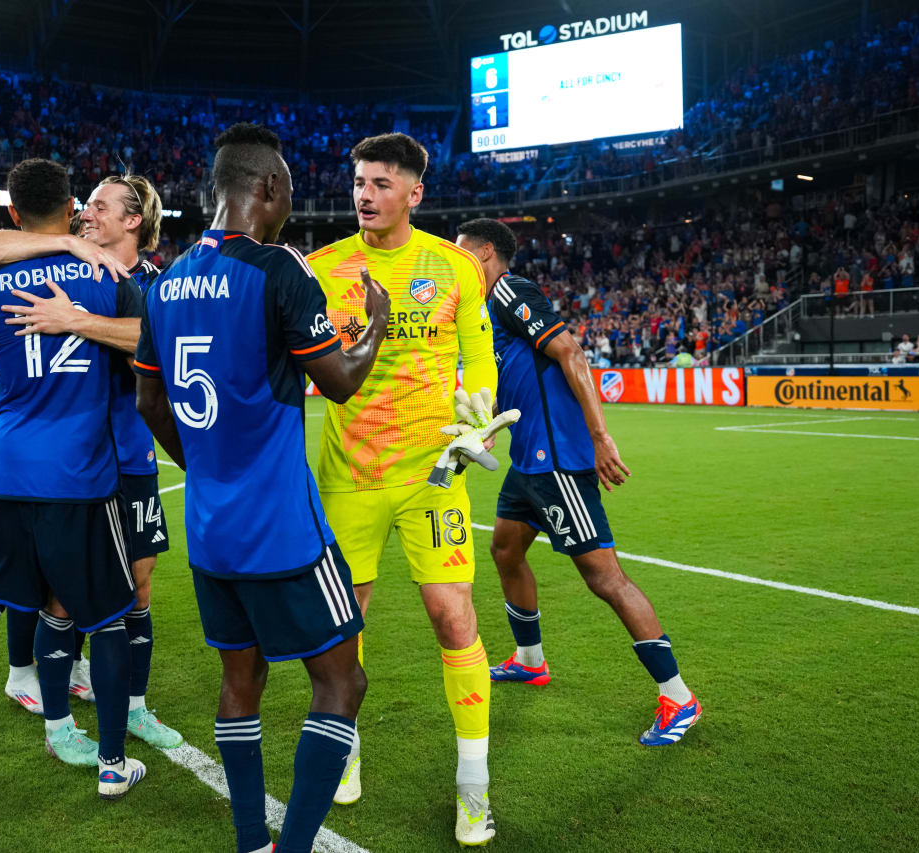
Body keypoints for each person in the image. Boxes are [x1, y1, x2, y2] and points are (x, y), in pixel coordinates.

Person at [134, 123, 388, 853]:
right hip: (282, 528)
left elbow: (151, 404)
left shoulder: (165, 282)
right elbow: (339, 382)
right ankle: (297, 845)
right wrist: (373, 327)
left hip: (211, 530)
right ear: (267, 188)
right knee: (343, 683)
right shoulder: (280, 268)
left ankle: (252, 840)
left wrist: (208, 465)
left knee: (240, 679)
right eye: (288, 193)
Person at [0, 158, 147, 801]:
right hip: (80, 477)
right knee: (105, 618)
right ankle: (110, 764)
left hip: (5, 469)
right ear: (72, 205)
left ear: (14, 214)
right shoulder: (109, 275)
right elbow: (150, 347)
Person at [304, 133, 498, 845]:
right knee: (342, 630)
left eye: (381, 183)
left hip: (433, 477)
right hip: (349, 478)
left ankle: (473, 787)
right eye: (359, 181)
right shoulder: (324, 269)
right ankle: (346, 753)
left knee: (455, 619)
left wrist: (478, 409)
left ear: (414, 193)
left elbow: (478, 354)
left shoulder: (453, 267)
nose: (364, 193)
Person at [455, 218, 703, 748]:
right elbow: (516, 382)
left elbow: (569, 351)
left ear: (487, 253)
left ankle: (680, 697)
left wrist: (600, 437)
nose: (456, 264)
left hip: (557, 461)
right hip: (527, 462)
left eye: (462, 254)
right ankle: (529, 660)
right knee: (504, 549)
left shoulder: (508, 290)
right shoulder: (485, 313)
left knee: (605, 578)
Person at [0, 173, 182, 748]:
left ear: (133, 220)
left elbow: (163, 347)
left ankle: (132, 706)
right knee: (58, 590)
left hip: (128, 457)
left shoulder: (155, 284)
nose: (85, 214)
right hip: (74, 467)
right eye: (82, 208)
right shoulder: (64, 261)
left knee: (137, 584)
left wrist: (77, 321)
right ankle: (51, 703)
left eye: (100, 208)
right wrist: (65, 243)